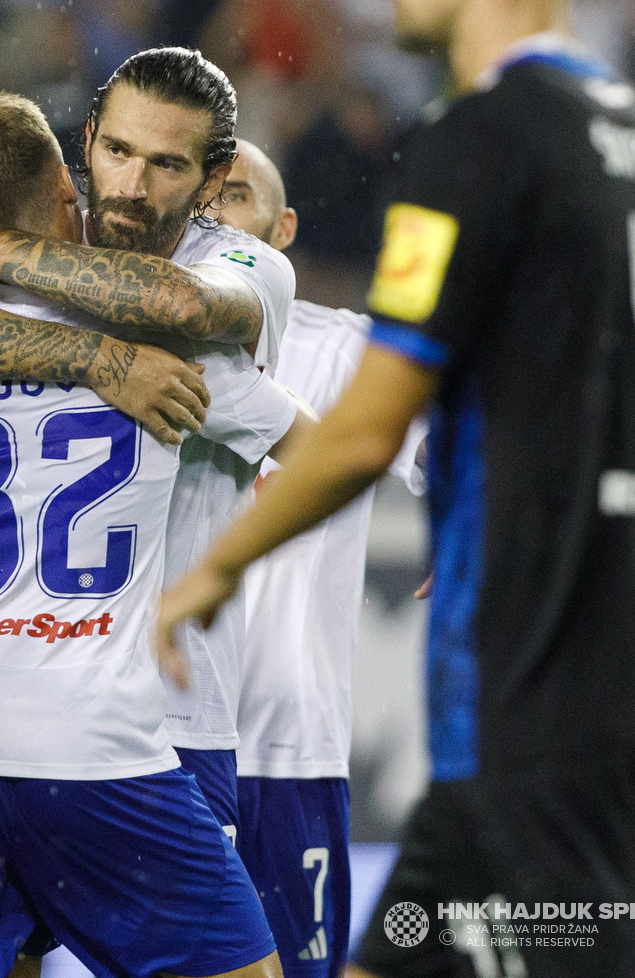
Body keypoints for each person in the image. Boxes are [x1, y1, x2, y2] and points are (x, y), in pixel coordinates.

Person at [155, 0, 635, 975]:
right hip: (592, 704)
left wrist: (215, 567)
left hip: (526, 714)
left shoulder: (480, 142)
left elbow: (366, 429)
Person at [0, 90, 281, 978]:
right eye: (115, 158)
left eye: (164, 163)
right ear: (72, 177)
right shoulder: (163, 344)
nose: (124, 187)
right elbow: (317, 447)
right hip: (108, 741)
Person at [212, 139, 426, 978]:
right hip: (140, 748)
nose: (210, 212)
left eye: (234, 195)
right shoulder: (124, 343)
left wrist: (477, 527)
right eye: (201, 193)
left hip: (286, 751)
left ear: (284, 226)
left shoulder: (349, 354)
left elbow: (458, 446)